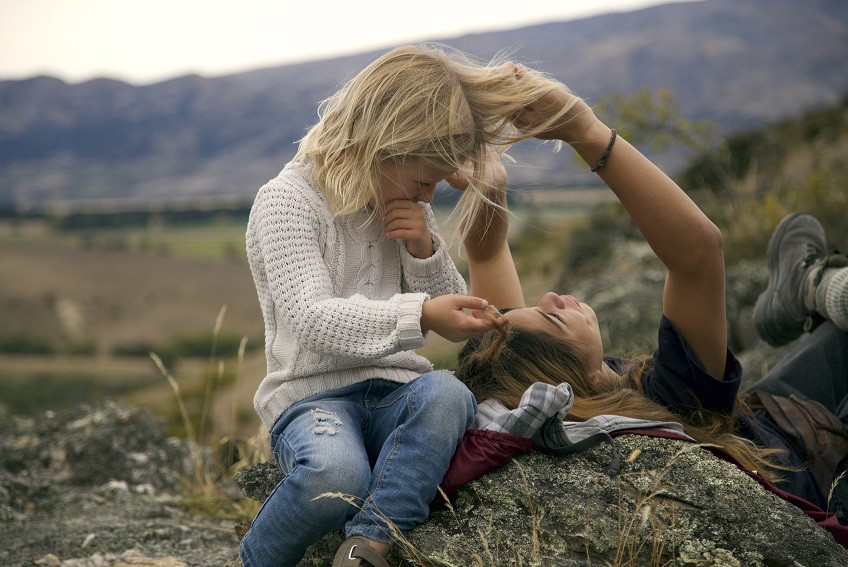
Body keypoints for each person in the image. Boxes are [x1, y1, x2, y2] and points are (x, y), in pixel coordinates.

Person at [451, 69, 848, 524]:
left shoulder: (553, 378)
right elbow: (699, 253)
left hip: (776, 409)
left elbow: (487, 259)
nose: (552, 297)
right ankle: (813, 286)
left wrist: (489, 185)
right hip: (815, 456)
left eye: (533, 307)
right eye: (554, 319)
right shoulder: (670, 401)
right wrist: (583, 129)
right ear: (579, 383)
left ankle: (813, 289)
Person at [239, 45, 577, 567]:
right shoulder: (286, 202)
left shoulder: (406, 206)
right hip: (314, 398)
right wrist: (420, 314)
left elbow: (451, 308)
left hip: (398, 392)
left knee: (446, 392)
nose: (431, 193)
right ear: (386, 144)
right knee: (337, 476)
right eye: (426, 180)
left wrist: (424, 250)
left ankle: (367, 543)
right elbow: (311, 320)